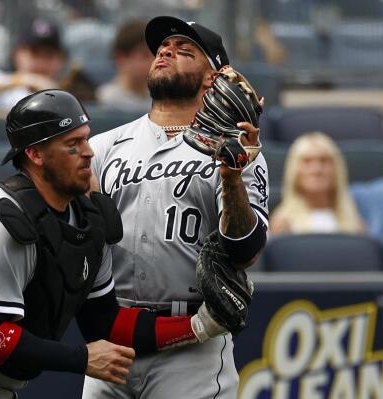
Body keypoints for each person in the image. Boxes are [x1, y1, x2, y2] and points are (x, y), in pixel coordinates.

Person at [0, 89, 230, 398]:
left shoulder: (89, 220)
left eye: (87, 139)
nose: (89, 153)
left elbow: (104, 323)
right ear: (36, 155)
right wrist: (81, 359)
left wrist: (199, 326)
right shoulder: (3, 224)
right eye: (72, 144)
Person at [85, 16, 269, 398]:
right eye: (163, 49)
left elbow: (245, 251)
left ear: (212, 78)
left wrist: (232, 176)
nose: (166, 52)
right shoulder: (104, 147)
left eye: (185, 52)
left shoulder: (238, 150)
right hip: (112, 334)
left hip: (191, 344)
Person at [270, 132, 365, 235]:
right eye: (307, 161)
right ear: (294, 171)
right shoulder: (282, 223)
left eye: (324, 161)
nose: (316, 170)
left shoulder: (356, 223)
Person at [96, 20, 153, 112]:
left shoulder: (161, 98)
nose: (153, 62)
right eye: (145, 55)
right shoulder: (105, 100)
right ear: (121, 58)